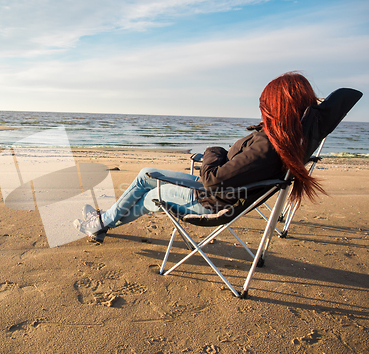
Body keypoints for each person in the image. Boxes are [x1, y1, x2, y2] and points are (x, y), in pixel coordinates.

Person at [74, 72, 325, 242]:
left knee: (150, 193)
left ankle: (101, 222)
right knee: (144, 177)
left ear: (280, 105)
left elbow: (214, 179)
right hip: (218, 195)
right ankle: (102, 222)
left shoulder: (268, 146)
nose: (263, 108)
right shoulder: (287, 140)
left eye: (266, 103)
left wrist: (212, 151)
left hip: (210, 201)